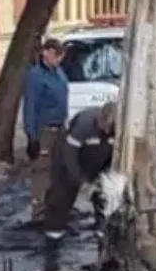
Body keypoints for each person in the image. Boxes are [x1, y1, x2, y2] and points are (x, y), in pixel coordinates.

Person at [42, 100, 117, 240]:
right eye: (104, 127)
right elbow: (69, 155)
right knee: (63, 192)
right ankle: (53, 234)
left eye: (110, 128)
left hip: (99, 155)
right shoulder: (84, 124)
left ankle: (102, 230)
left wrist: (99, 180)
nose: (107, 131)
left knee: (104, 192)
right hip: (70, 154)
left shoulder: (119, 129)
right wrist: (81, 180)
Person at [23, 38, 69, 223]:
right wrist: (32, 137)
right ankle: (38, 209)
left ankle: (53, 205)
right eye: (57, 55)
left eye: (61, 56)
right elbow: (30, 107)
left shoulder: (58, 72)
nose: (59, 59)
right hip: (45, 130)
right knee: (42, 169)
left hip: (59, 128)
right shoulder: (36, 76)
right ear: (46, 53)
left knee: (58, 169)